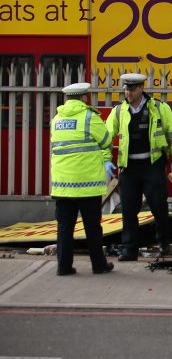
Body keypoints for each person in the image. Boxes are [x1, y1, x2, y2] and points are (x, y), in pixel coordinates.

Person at [105, 72, 172, 261]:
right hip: (129, 167)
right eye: (125, 88)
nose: (128, 92)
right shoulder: (118, 111)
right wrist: (106, 158)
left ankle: (165, 244)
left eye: (132, 89)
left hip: (152, 165)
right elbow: (106, 137)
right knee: (129, 210)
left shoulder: (159, 108)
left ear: (141, 88)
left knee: (158, 206)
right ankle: (129, 249)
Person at [50, 82, 114, 275]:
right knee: (92, 227)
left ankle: (63, 266)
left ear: (67, 99)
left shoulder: (56, 119)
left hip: (62, 185)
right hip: (87, 185)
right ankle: (98, 265)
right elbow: (106, 141)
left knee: (64, 228)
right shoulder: (89, 117)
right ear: (84, 98)